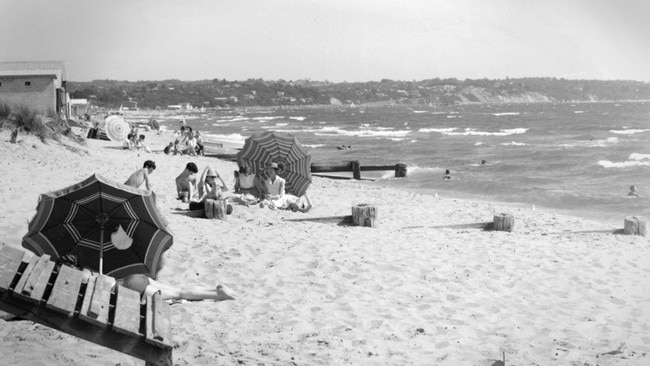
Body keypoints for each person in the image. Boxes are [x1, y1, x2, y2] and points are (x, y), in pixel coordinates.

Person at [56, 252, 234, 301]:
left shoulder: (80, 279)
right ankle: (213, 290)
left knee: (179, 294)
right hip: (131, 279)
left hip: (130, 289)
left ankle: (217, 295)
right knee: (178, 290)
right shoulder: (87, 270)